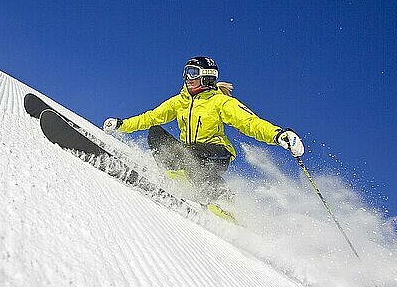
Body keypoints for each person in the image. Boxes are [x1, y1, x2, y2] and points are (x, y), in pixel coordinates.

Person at [102, 56, 304, 202]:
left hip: (218, 153)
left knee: (190, 154)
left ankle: (221, 199)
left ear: (207, 77)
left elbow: (250, 122)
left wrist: (278, 135)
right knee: (156, 133)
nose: (188, 77)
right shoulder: (178, 102)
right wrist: (122, 125)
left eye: (193, 73)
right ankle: (176, 180)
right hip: (190, 153)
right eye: (187, 72)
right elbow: (150, 117)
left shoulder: (220, 102)